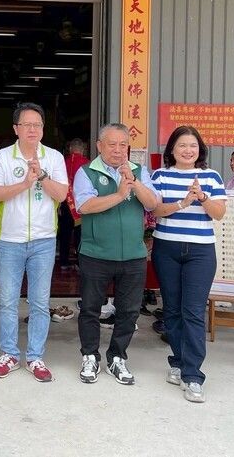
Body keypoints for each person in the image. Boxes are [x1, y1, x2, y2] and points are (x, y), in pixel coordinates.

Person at [73, 123, 160, 386]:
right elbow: (84, 205)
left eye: (123, 145)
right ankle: (90, 355)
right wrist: (120, 194)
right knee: (90, 309)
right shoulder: (87, 172)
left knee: (129, 311)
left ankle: (117, 357)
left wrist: (134, 183)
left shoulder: (138, 171)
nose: (118, 150)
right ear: (99, 146)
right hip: (95, 253)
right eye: (112, 144)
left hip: (132, 255)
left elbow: (153, 203)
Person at [0, 102, 68, 382]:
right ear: (16, 129)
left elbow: (62, 195)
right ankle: (9, 354)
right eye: (27, 125)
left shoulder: (54, 157)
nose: (32, 129)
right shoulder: (3, 157)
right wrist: (25, 183)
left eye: (37, 125)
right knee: (8, 301)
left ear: (43, 129)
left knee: (40, 302)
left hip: (43, 240)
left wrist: (41, 176)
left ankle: (35, 357)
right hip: (10, 240)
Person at [150, 126, 227, 403]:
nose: (187, 150)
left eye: (193, 146)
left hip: (200, 252)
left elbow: (219, 213)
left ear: (200, 150)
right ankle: (178, 361)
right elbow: (155, 210)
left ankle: (193, 375)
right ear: (172, 149)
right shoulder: (160, 175)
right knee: (171, 310)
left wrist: (202, 197)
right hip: (166, 248)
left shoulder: (211, 176)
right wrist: (183, 202)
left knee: (193, 311)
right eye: (182, 145)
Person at [58, 138, 89, 269]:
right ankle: (80, 262)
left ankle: (63, 262)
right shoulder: (87, 163)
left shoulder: (62, 163)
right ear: (83, 150)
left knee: (65, 233)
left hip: (65, 202)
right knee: (80, 234)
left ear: (70, 149)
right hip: (82, 204)